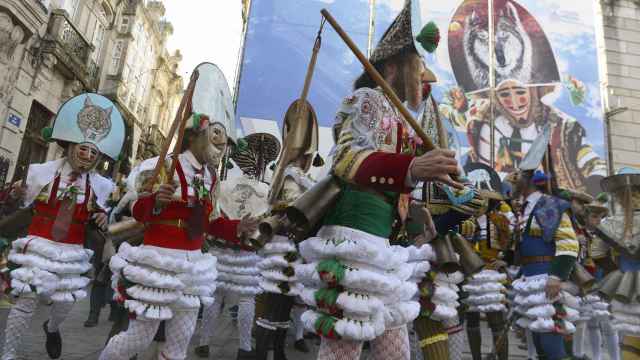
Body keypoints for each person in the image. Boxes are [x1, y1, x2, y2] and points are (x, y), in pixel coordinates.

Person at [295, 2, 461, 359]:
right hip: (354, 234)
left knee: (396, 352)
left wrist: (413, 207)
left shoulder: (400, 117)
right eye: (416, 65)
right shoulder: (368, 99)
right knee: (345, 345)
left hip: (384, 244)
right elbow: (348, 161)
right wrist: (413, 169)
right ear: (391, 66)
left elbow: (393, 182)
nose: (422, 74)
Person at [99, 112, 259, 360]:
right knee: (138, 339)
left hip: (193, 268)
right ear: (193, 136)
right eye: (214, 139)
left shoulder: (211, 176)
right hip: (158, 263)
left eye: (223, 144)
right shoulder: (163, 165)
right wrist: (155, 200)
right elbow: (138, 211)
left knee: (180, 342)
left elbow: (211, 223)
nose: (220, 148)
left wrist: (237, 227)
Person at [1, 93, 125, 360]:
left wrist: (102, 217)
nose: (87, 155)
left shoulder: (100, 186)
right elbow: (20, 204)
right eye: (83, 148)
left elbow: (101, 216)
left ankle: (52, 327)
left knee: (65, 305)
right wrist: (15, 196)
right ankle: (8, 355)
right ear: (69, 146)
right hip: (39, 246)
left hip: (71, 252)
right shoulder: (40, 172)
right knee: (25, 303)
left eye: (93, 152)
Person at [447, 0, 606, 194]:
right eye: (504, 94)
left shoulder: (563, 127)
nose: (514, 102)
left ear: (534, 93)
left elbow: (588, 159)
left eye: (520, 92)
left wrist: (598, 185)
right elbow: (451, 122)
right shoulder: (482, 123)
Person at [253, 88, 322, 360]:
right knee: (274, 303)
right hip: (281, 245)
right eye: (308, 155)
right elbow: (288, 205)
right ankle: (263, 353)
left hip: (291, 246)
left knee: (283, 305)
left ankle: (279, 351)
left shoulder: (293, 173)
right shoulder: (290, 174)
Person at [196, 132, 278, 359]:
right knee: (246, 299)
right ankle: (244, 348)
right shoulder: (267, 191)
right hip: (247, 252)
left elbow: (212, 217)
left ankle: (204, 343)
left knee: (216, 297)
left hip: (221, 248)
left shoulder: (222, 184)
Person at [508, 169, 580, 360]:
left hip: (547, 278)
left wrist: (556, 277)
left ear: (529, 180)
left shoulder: (550, 204)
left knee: (551, 336)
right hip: (528, 278)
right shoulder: (524, 208)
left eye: (518, 177)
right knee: (537, 339)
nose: (514, 181)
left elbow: (569, 244)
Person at [595, 167, 640, 359]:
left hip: (627, 285)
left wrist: (619, 273)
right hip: (627, 285)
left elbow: (597, 253)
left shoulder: (609, 223)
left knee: (630, 337)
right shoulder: (609, 222)